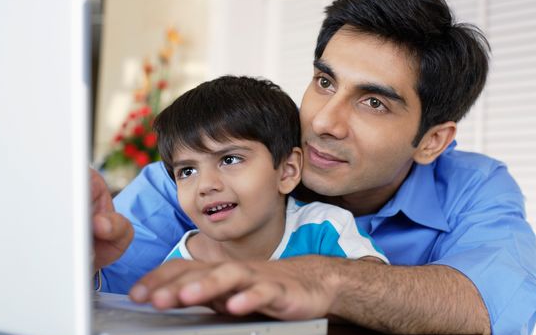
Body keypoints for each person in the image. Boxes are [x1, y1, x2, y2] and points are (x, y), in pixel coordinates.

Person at [92, 0, 536, 335]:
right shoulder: (202, 176)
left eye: (374, 103)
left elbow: (483, 305)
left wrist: (325, 279)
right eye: (325, 82)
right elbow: (105, 299)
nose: (325, 121)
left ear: (433, 141)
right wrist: (76, 257)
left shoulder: (477, 188)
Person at [153, 75, 388, 264]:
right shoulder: (182, 265)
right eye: (187, 172)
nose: (205, 185)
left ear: (287, 170)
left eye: (230, 159)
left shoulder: (324, 229)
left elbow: (376, 291)